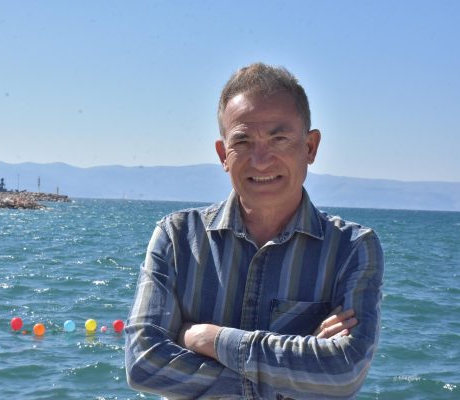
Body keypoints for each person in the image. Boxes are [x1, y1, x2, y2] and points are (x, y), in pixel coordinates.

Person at [125, 62, 384, 399]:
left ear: (310, 147)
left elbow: (343, 372)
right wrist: (295, 366)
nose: (261, 160)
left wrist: (209, 339)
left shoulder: (352, 248)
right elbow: (144, 363)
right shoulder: (177, 238)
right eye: (243, 141)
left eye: (279, 139)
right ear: (223, 154)